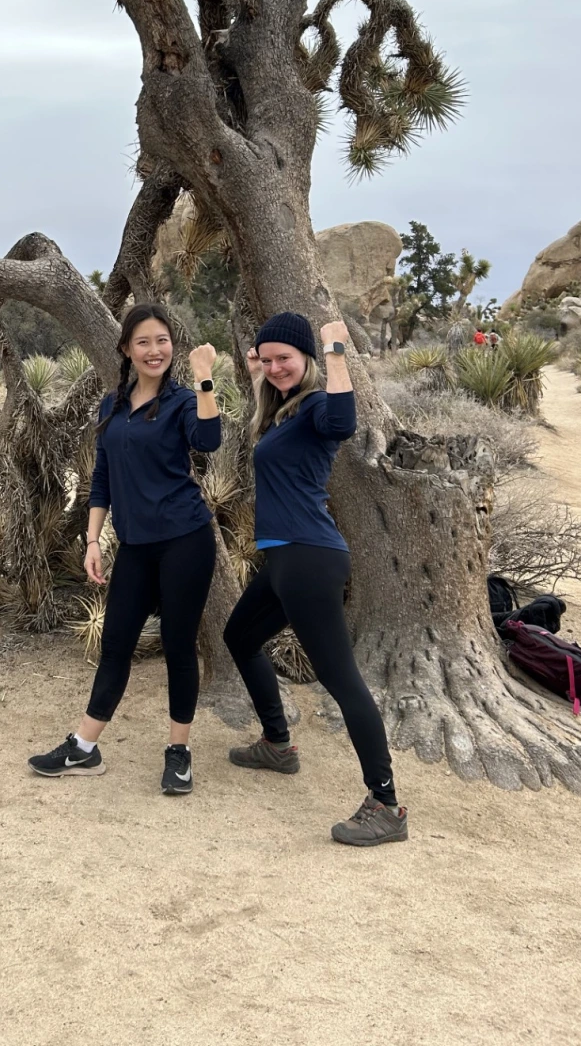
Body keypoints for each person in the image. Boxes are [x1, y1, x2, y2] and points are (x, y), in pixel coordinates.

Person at [223, 312, 408, 846]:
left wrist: (334, 352)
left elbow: (345, 422)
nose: (277, 366)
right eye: (268, 358)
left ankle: (386, 805)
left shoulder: (316, 406)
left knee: (341, 678)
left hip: (310, 560)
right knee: (240, 638)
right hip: (285, 560)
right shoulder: (279, 413)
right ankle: (277, 744)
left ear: (304, 359)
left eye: (287, 357)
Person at [28, 304, 222, 795]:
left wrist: (205, 379)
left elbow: (209, 439)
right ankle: (85, 748)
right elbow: (102, 477)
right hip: (134, 545)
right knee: (115, 644)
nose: (154, 350)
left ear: (171, 348)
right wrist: (93, 539)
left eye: (162, 341)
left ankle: (178, 753)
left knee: (179, 646)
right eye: (143, 342)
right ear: (125, 350)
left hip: (184, 540)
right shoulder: (110, 406)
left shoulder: (182, 401)